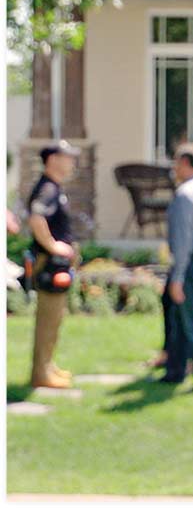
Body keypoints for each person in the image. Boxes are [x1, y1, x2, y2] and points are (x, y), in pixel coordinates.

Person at [148, 155, 193, 371]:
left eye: (177, 163)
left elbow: (183, 239)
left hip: (190, 262)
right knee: (180, 319)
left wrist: (177, 277)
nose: (174, 168)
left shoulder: (185, 194)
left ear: (187, 164)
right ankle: (175, 371)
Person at [27, 139, 81, 389]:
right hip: (49, 264)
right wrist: (53, 245)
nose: (72, 162)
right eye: (67, 157)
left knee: (55, 318)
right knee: (48, 320)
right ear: (52, 160)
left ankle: (48, 366)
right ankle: (41, 373)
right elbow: (36, 218)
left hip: (57, 265)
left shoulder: (54, 188)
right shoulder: (47, 189)